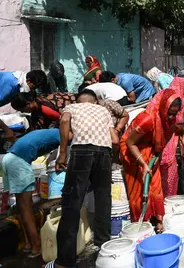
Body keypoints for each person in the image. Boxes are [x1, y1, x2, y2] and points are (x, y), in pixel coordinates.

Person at [53, 90, 117, 268]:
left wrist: (63, 154)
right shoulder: (103, 110)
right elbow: (114, 139)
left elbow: (65, 121)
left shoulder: (72, 106)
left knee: (72, 203)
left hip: (81, 151)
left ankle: (65, 261)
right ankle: (104, 248)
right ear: (95, 101)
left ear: (78, 100)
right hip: (104, 152)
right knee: (103, 200)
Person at [120, 88, 181, 231]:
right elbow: (129, 142)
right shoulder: (147, 119)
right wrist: (143, 164)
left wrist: (155, 157)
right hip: (132, 151)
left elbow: (163, 142)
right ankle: (142, 223)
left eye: (174, 114)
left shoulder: (170, 123)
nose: (172, 117)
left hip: (151, 150)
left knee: (156, 185)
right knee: (139, 188)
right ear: (162, 107)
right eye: (169, 114)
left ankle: (159, 220)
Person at [3, 129, 61, 258]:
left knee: (21, 207)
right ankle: (36, 246)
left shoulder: (52, 132)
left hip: (9, 158)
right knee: (26, 209)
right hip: (18, 162)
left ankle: (29, 244)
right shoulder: (62, 134)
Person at [158, 78, 184, 197]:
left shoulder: (168, 98)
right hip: (168, 143)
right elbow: (176, 125)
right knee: (168, 175)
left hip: (170, 142)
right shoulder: (175, 102)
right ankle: (166, 203)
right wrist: (183, 131)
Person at [11, 92, 77, 131]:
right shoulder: (39, 101)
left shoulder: (44, 109)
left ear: (28, 104)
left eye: (22, 110)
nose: (22, 112)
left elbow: (64, 121)